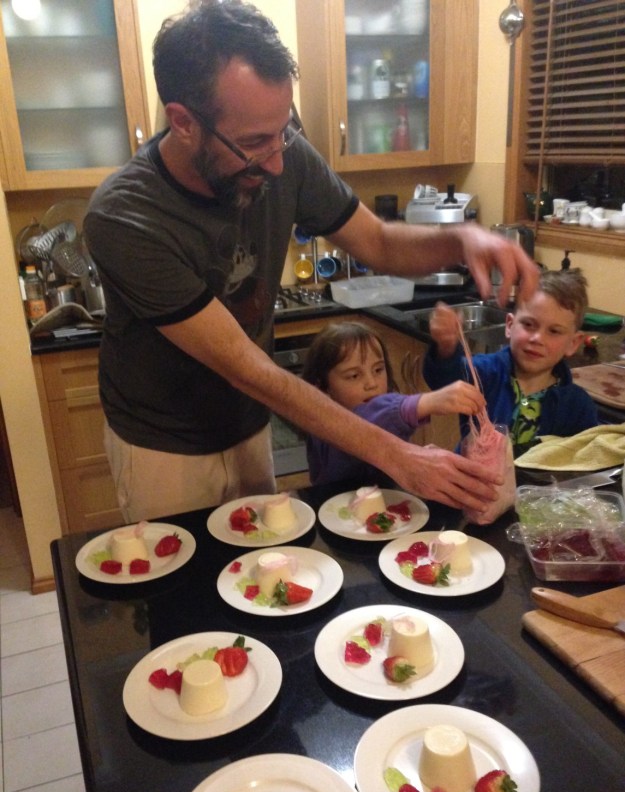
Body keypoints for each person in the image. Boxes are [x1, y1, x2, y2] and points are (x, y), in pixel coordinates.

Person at [83, 0, 539, 523]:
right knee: (179, 596)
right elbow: (245, 365)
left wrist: (462, 239)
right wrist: (398, 455)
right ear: (183, 122)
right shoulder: (125, 216)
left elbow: (380, 243)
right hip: (162, 446)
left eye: (285, 130)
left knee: (261, 577)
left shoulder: (284, 154)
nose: (278, 161)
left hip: (247, 423)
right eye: (256, 142)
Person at [422, 270, 599, 457]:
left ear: (573, 343)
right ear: (509, 326)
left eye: (554, 331)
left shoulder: (578, 406)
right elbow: (442, 380)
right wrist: (446, 348)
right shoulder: (483, 373)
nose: (537, 338)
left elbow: (583, 464)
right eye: (529, 325)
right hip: (471, 481)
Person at [301, 321, 486, 485]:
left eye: (378, 370)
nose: (371, 383)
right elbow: (367, 421)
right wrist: (424, 403)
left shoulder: (386, 408)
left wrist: (415, 456)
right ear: (322, 388)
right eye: (354, 376)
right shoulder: (324, 431)